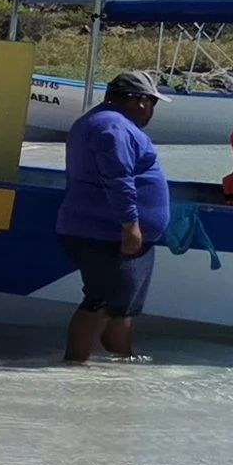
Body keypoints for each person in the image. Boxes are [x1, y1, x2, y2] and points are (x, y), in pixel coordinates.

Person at [58, 70, 169, 364]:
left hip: (112, 231)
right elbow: (118, 178)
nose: (152, 111)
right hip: (107, 232)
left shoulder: (103, 121)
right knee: (102, 301)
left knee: (122, 306)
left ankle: (122, 364)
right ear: (139, 101)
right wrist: (130, 224)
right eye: (152, 102)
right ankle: (72, 366)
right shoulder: (113, 127)